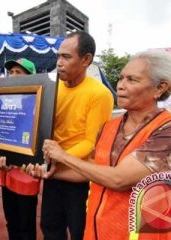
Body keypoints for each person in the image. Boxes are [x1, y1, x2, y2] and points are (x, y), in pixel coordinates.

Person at [26, 50, 171, 240]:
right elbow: (92, 170)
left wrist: (62, 155)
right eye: (121, 78)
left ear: (160, 88)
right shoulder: (110, 127)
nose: (120, 86)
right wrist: (47, 172)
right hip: (97, 231)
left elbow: (119, 179)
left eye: (132, 80)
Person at [36, 31, 113, 240]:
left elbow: (91, 142)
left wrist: (58, 158)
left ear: (86, 60)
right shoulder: (52, 88)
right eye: (58, 56)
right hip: (52, 171)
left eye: (66, 57)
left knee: (80, 231)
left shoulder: (100, 94)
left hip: (79, 176)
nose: (59, 63)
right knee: (50, 228)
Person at [0, 58, 41, 240]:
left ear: (30, 77)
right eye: (11, 72)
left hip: (26, 177)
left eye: (18, 72)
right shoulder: (2, 103)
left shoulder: (38, 105)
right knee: (11, 222)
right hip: (5, 176)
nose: (13, 76)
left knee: (26, 227)